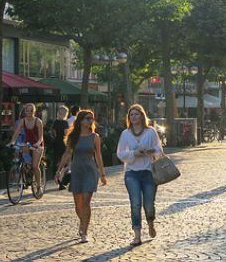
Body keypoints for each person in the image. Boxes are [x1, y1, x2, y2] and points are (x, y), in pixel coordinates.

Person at [56, 109, 107, 243]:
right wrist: (59, 170)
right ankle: (83, 221)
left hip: (90, 171)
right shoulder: (73, 136)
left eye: (92, 119)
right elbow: (67, 154)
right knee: (78, 205)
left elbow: (98, 155)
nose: (91, 121)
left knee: (86, 201)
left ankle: (84, 230)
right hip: (77, 171)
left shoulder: (94, 137)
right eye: (88, 118)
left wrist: (102, 173)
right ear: (81, 121)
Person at [116, 104, 163, 246]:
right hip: (131, 173)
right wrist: (133, 153)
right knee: (135, 204)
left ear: (142, 116)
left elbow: (159, 150)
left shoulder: (151, 132)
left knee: (148, 204)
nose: (134, 117)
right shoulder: (126, 133)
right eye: (131, 115)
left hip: (148, 172)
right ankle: (137, 235)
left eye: (136, 114)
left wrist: (150, 151)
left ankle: (150, 223)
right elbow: (120, 153)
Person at [9, 103, 45, 195]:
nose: (29, 112)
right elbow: (16, 133)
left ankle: (39, 186)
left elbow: (41, 137)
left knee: (35, 166)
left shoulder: (38, 121)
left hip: (38, 144)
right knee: (23, 157)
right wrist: (12, 142)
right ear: (24, 111)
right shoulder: (22, 121)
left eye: (31, 110)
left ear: (34, 112)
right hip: (28, 143)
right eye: (27, 110)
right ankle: (27, 171)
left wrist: (37, 144)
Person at [53, 106, 70, 189]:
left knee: (58, 161)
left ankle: (58, 180)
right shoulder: (65, 123)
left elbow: (53, 133)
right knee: (65, 162)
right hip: (63, 143)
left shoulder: (55, 122)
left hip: (56, 143)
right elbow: (66, 133)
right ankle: (62, 181)